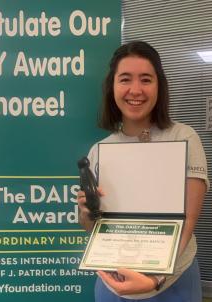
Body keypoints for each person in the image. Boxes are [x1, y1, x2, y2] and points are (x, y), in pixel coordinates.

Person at [77, 41, 209, 302]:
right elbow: (91, 227)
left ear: (159, 85)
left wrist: (155, 280)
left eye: (146, 80)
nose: (135, 90)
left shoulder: (185, 138)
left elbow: (188, 222)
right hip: (114, 283)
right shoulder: (99, 151)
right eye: (125, 79)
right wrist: (86, 213)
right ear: (112, 87)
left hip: (173, 283)